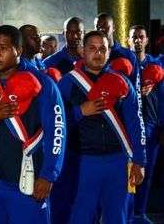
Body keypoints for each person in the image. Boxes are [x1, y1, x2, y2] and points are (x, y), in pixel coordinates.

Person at [0, 24, 66, 224]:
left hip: (27, 179)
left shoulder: (42, 83)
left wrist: (49, 174)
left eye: (4, 48)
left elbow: (57, 132)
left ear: (18, 50)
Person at [58, 30, 146, 224]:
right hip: (82, 163)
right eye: (92, 48)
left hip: (118, 161)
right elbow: (55, 125)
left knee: (117, 218)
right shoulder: (67, 83)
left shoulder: (122, 82)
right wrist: (80, 111)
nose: (98, 53)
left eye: (102, 49)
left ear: (108, 52)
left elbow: (136, 122)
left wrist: (140, 160)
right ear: (82, 51)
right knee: (80, 217)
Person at [128, 25, 163, 224]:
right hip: (130, 127)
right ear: (128, 40)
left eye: (141, 37)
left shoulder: (157, 65)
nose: (138, 41)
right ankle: (128, 213)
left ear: (147, 40)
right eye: (134, 37)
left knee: (146, 173)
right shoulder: (124, 65)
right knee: (129, 172)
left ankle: (140, 213)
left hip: (151, 125)